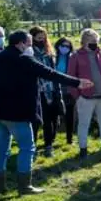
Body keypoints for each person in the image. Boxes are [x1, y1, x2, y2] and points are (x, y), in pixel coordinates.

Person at [0, 30, 92, 195]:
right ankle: (24, 186)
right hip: (17, 113)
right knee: (27, 147)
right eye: (29, 44)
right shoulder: (25, 60)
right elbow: (50, 74)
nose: (31, 47)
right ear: (20, 44)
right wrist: (77, 82)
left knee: (1, 149)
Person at [67, 28, 101, 162]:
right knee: (83, 124)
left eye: (95, 40)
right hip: (86, 97)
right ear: (84, 41)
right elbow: (71, 78)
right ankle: (83, 149)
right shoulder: (75, 56)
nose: (94, 43)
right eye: (91, 40)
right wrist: (78, 96)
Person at [28, 26, 63, 157]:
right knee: (40, 121)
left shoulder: (49, 53)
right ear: (32, 39)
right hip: (37, 91)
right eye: (38, 38)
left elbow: (54, 73)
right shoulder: (29, 54)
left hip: (51, 90)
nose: (41, 40)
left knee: (53, 119)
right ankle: (33, 147)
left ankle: (49, 145)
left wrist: (57, 91)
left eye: (43, 38)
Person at [53, 37, 76, 145]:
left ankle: (69, 138)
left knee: (69, 113)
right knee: (53, 114)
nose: (65, 48)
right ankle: (51, 137)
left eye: (67, 46)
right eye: (63, 45)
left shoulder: (72, 58)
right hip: (55, 88)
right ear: (58, 46)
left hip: (68, 89)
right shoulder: (53, 57)